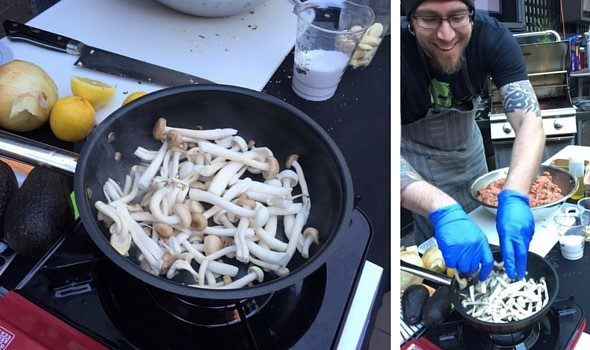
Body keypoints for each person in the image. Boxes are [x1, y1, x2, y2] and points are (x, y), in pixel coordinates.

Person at [400, 0, 546, 281]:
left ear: (471, 14)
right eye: (429, 19)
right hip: (416, 170)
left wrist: (515, 194)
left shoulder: (491, 37)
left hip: (470, 157)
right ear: (411, 19)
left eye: (457, 17)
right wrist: (439, 209)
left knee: (490, 242)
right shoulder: (396, 54)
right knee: (442, 263)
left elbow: (529, 120)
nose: (446, 34)